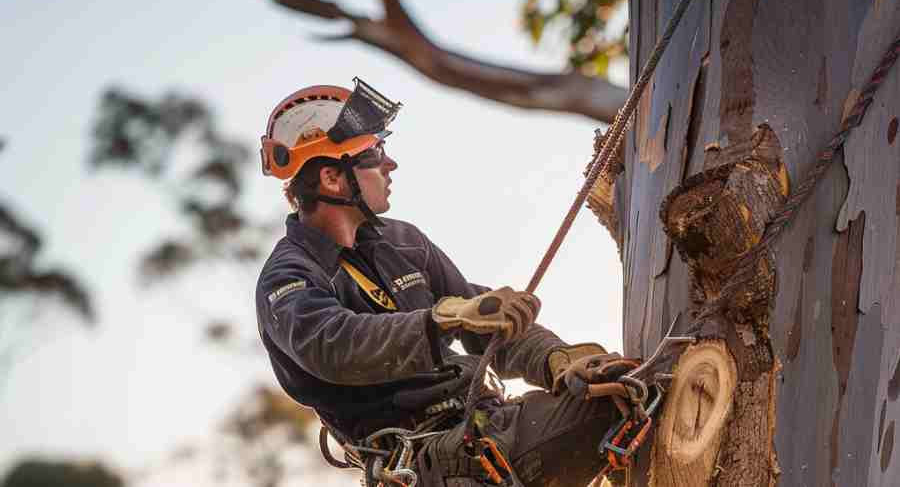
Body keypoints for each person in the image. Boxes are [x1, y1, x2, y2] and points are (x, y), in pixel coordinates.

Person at [255, 79, 631, 486]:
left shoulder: (402, 242)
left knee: (629, 390)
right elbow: (334, 344)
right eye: (374, 153)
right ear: (332, 178)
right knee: (617, 412)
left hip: (485, 423)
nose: (390, 165)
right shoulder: (289, 276)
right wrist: (442, 320)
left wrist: (556, 358)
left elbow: (483, 322)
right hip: (430, 462)